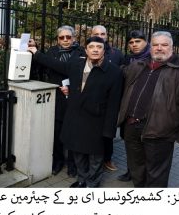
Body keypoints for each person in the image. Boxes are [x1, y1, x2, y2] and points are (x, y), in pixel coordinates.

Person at [29, 36, 123, 188]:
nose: (95, 50)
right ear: (86, 50)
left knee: (95, 157)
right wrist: (36, 52)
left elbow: (114, 103)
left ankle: (92, 184)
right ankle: (81, 179)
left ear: (104, 50)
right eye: (91, 47)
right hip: (75, 118)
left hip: (96, 121)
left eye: (99, 47)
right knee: (77, 153)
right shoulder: (76, 64)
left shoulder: (114, 72)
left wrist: (109, 130)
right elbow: (56, 64)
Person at [117, 31, 179, 188]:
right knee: (137, 171)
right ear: (150, 47)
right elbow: (116, 82)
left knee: (156, 177)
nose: (159, 48)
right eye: (155, 44)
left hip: (160, 134)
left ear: (172, 47)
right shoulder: (137, 66)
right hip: (131, 129)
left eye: (164, 45)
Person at [33, 26, 85, 177]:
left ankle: (72, 164)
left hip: (74, 99)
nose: (65, 40)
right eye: (62, 37)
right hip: (56, 98)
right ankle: (58, 161)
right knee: (56, 134)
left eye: (68, 37)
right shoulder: (52, 52)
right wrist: (31, 51)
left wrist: (39, 55)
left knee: (73, 134)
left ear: (74, 38)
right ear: (57, 39)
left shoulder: (81, 53)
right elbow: (42, 69)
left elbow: (68, 69)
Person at [117, 29, 151, 182]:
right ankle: (131, 171)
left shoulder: (152, 59)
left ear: (145, 42)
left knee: (143, 146)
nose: (134, 45)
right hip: (127, 108)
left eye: (138, 41)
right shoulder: (128, 58)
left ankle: (143, 175)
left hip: (144, 111)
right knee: (129, 143)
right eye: (131, 42)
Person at [91, 25, 125, 172]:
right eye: (96, 33)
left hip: (110, 101)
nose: (100, 36)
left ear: (107, 35)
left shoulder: (116, 54)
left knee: (108, 133)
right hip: (92, 100)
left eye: (102, 33)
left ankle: (107, 159)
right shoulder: (86, 51)